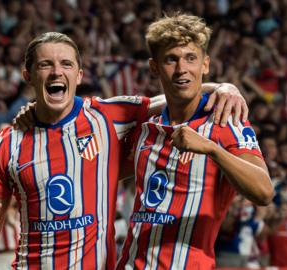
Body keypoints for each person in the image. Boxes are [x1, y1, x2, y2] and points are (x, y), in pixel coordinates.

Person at [0, 31, 247, 269]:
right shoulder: (5, 144)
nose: (57, 72)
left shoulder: (106, 117)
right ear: (28, 75)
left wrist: (224, 87)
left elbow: (173, 97)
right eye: (45, 64)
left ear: (78, 75)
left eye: (66, 64)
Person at [116, 14, 273, 269]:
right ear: (154, 67)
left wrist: (211, 149)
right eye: (171, 59)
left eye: (191, 58)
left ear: (205, 64)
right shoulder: (145, 128)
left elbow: (264, 192)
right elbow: (105, 173)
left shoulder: (226, 120)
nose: (181, 69)